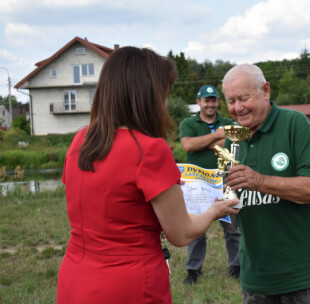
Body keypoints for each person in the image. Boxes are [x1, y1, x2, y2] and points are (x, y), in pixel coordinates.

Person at [56, 47, 239, 304]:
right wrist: (214, 210)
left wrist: (164, 189)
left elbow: (111, 196)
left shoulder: (80, 141)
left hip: (74, 278)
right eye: (163, 94)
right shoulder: (150, 150)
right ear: (147, 95)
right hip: (129, 285)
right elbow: (181, 234)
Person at [221, 64, 310, 303]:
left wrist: (260, 181)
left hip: (307, 273)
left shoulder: (294, 123)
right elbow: (231, 199)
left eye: (243, 98)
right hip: (258, 275)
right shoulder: (232, 139)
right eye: (231, 101)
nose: (237, 108)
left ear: (265, 91)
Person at [179, 84, 241, 284]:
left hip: (226, 182)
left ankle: (236, 266)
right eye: (207, 100)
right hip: (198, 185)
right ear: (199, 102)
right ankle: (193, 270)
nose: (210, 104)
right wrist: (216, 136)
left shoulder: (228, 121)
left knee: (232, 229)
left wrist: (202, 143)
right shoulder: (189, 123)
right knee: (196, 229)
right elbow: (188, 145)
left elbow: (235, 143)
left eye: (214, 100)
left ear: (218, 102)